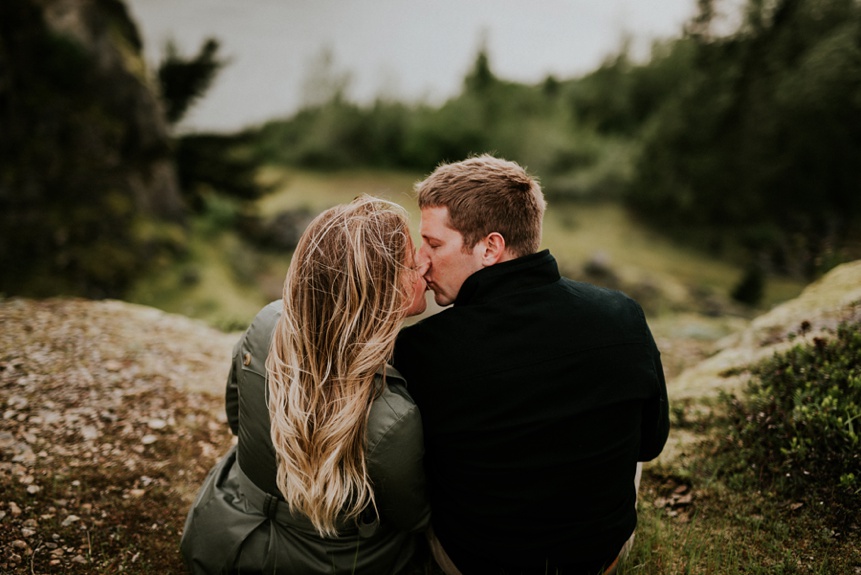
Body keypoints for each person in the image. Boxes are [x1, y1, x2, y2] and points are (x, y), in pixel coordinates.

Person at [393, 155, 670, 575]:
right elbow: (650, 444)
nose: (420, 260)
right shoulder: (624, 314)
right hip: (599, 558)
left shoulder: (422, 348)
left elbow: (414, 483)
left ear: (490, 247)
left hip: (474, 562)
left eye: (433, 243)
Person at [181, 196, 431, 574]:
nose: (424, 265)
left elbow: (238, 419)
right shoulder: (391, 419)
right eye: (411, 264)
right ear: (378, 294)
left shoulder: (268, 321)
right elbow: (413, 515)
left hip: (221, 533)